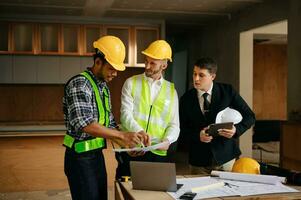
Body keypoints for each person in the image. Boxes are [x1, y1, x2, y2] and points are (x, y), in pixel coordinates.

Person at [63, 35, 147, 200]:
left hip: (96, 156)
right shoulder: (80, 84)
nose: (115, 74)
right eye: (111, 68)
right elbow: (86, 124)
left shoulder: (103, 88)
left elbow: (109, 124)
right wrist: (123, 135)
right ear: (98, 62)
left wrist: (128, 146)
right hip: (79, 158)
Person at [115, 40, 180, 179]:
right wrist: (140, 132)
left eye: (152, 63)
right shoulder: (131, 82)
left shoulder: (171, 91)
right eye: (146, 61)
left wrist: (168, 140)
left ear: (164, 65)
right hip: (132, 148)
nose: (147, 66)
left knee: (155, 193)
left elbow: (174, 124)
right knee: (126, 191)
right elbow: (125, 114)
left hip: (158, 154)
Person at [179, 57, 255, 175]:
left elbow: (250, 116)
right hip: (198, 161)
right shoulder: (186, 99)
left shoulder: (227, 91)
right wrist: (198, 135)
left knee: (229, 193)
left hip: (226, 158)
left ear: (212, 77)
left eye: (201, 75)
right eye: (194, 74)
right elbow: (181, 129)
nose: (196, 79)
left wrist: (236, 130)